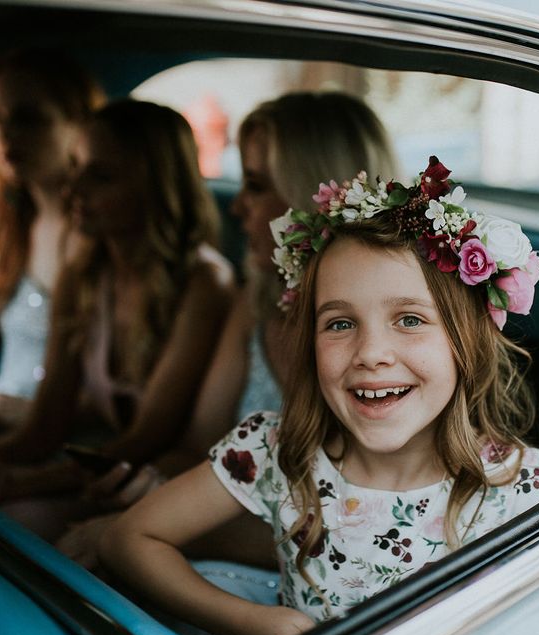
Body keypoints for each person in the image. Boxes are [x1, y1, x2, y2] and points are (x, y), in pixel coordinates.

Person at [101, 156, 539, 635]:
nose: (370, 354)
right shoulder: (276, 449)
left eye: (409, 320)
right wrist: (253, 623)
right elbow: (128, 539)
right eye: (340, 324)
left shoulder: (523, 488)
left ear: (465, 341)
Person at [55, 92, 398, 570]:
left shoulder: (384, 347)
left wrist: (147, 529)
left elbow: (358, 534)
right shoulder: (255, 303)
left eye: (255, 186)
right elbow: (200, 449)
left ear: (314, 194)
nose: (236, 207)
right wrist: (146, 486)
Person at [0, 100, 235, 536]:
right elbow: (45, 425)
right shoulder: (84, 274)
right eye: (76, 168)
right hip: (96, 468)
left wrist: (21, 483)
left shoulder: (206, 284)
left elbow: (148, 438)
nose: (74, 191)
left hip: (159, 486)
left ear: (155, 187)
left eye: (101, 176)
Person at [0, 49, 104, 426]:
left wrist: (25, 413)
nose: (9, 135)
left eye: (29, 119)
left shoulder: (109, 239)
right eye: (2, 120)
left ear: (79, 125)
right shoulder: (10, 225)